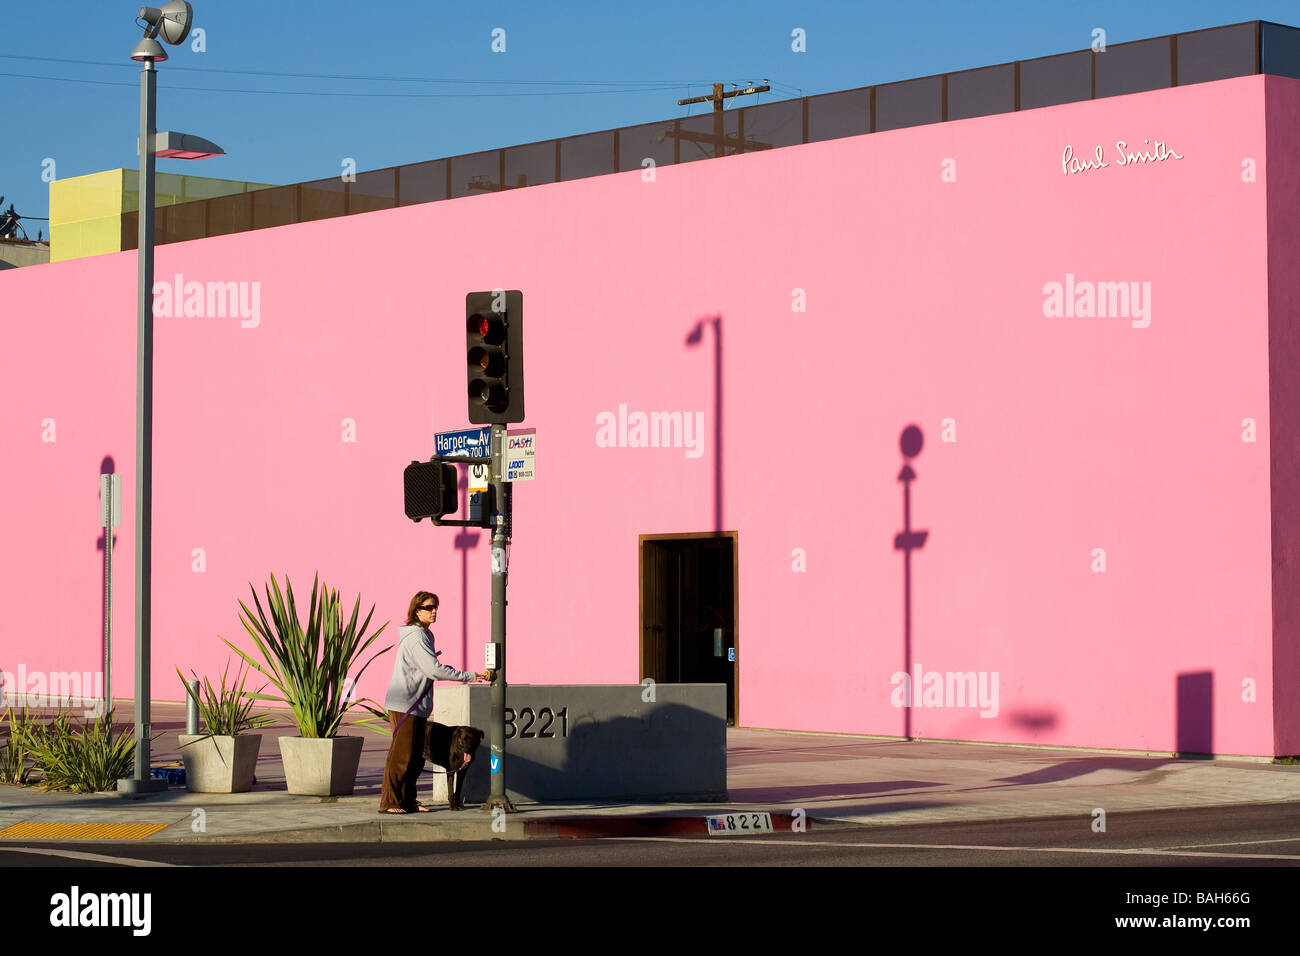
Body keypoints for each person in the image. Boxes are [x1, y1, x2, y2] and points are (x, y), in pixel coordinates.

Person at [379, 591, 489, 813]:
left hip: (416, 705)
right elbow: (433, 670)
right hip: (405, 704)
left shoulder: (426, 636)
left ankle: (408, 800)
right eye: (429, 607)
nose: (434, 611)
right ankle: (390, 802)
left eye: (436, 607)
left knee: (416, 758)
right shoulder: (417, 636)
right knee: (402, 756)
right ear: (416, 611)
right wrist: (468, 675)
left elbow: (428, 669)